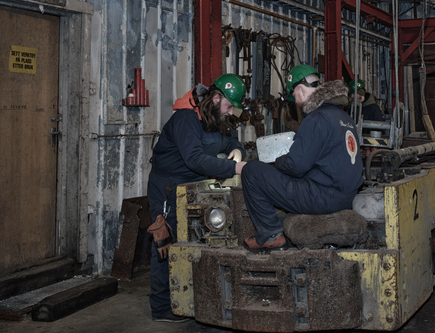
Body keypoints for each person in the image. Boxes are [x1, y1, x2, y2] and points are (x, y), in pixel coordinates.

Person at [147, 74, 247, 322]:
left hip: (196, 185)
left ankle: (191, 296)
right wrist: (234, 169)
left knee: (197, 241)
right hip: (169, 188)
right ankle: (161, 308)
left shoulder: (214, 116)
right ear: (215, 98)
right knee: (165, 243)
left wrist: (236, 149)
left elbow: (230, 138)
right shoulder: (186, 119)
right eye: (228, 106)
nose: (230, 112)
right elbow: (194, 158)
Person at [240, 65, 364, 251]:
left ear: (300, 89)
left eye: (294, 97)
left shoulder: (316, 119)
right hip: (345, 197)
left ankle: (270, 235)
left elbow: (295, 166)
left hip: (323, 198)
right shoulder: (342, 117)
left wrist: (277, 161)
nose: (296, 102)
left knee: (252, 171)